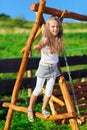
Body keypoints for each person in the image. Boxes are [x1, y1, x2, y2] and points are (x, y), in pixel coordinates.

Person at [27, 16, 64, 122]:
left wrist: (60, 19)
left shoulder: (58, 38)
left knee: (49, 91)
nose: (55, 29)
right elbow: (37, 46)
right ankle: (30, 108)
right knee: (38, 89)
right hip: (44, 67)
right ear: (48, 27)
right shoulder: (46, 39)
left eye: (57, 27)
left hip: (53, 68)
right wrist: (39, 47)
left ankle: (43, 108)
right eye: (53, 27)